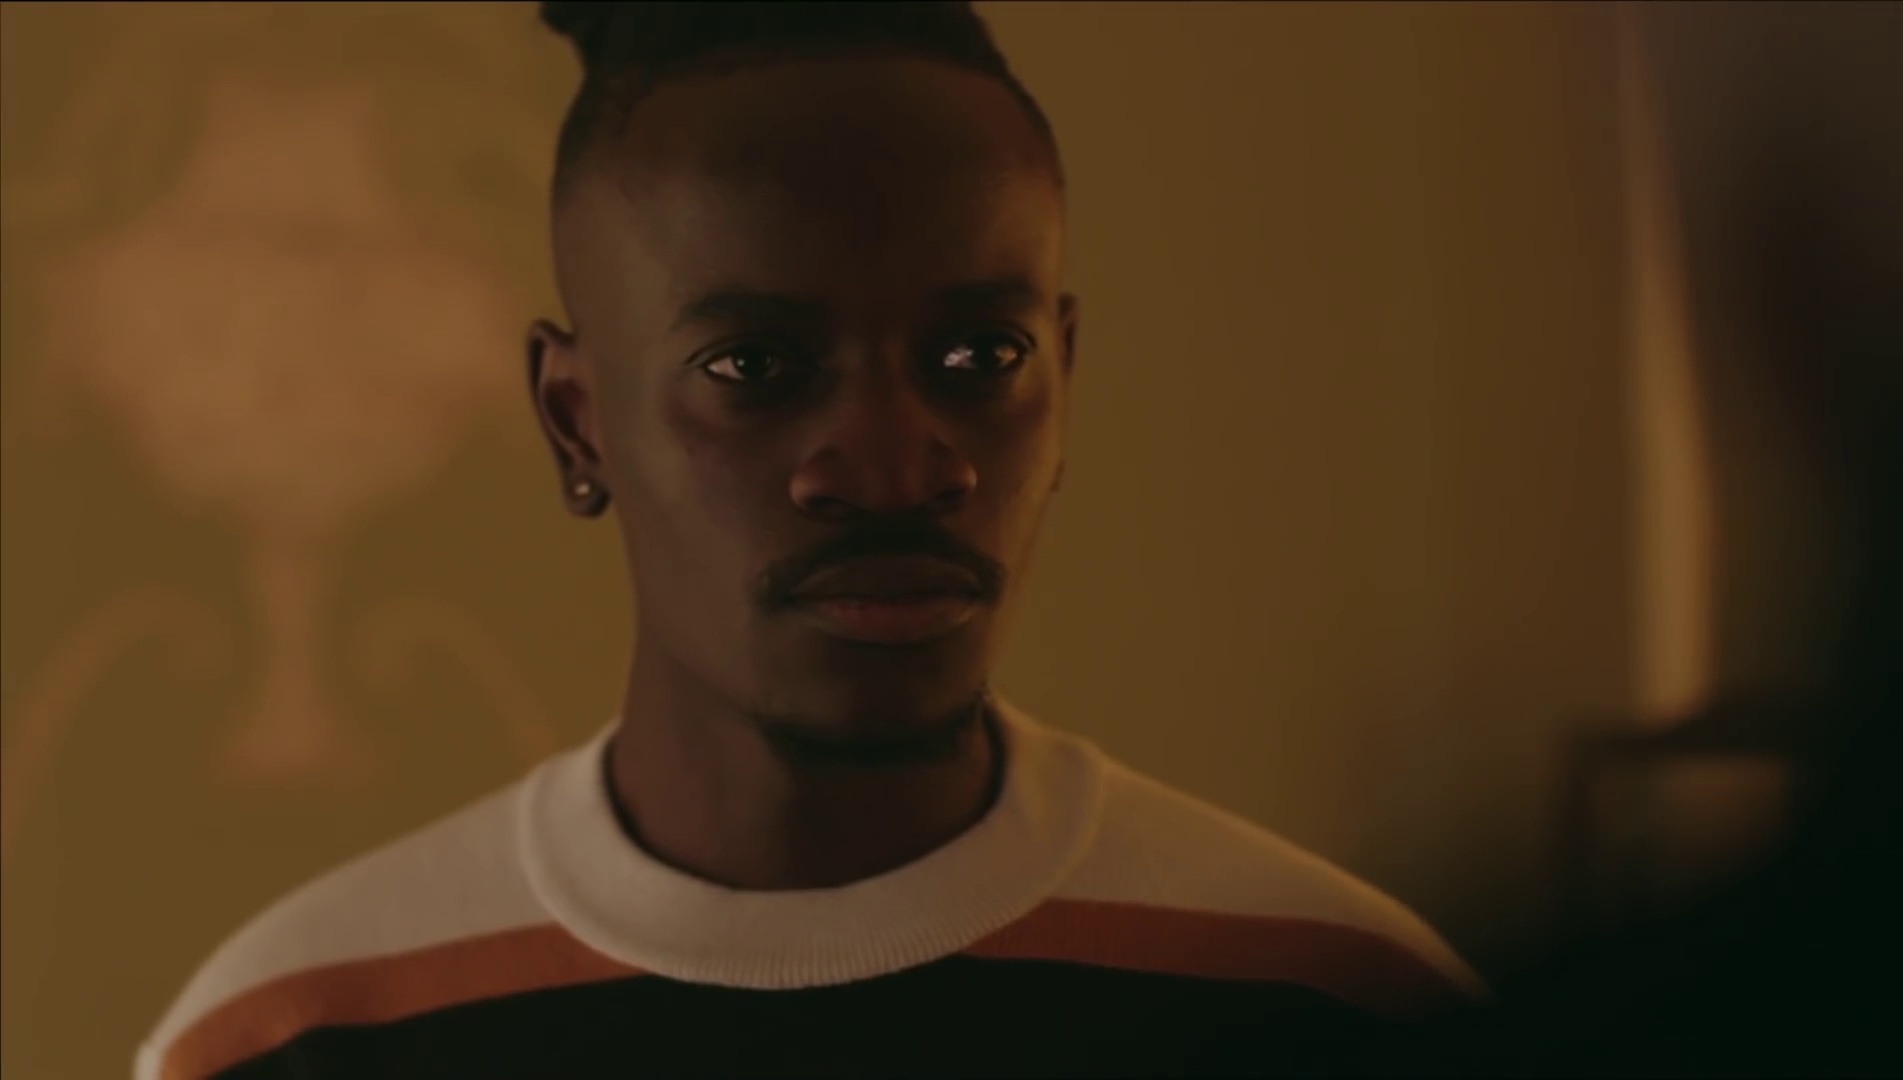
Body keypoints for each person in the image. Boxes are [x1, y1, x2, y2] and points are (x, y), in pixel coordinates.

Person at [136, 4, 1482, 1077]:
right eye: (757, 368)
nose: (896, 463)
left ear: (1063, 380)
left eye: (979, 356)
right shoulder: (296, 1040)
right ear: (576, 423)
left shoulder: (1334, 1006)